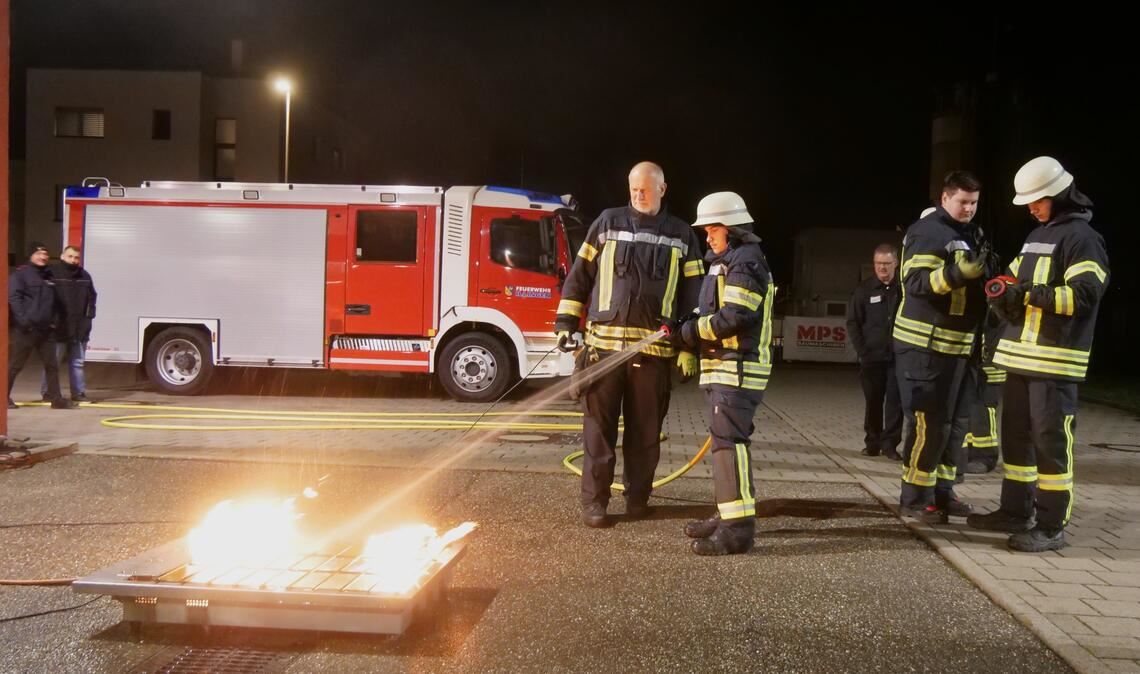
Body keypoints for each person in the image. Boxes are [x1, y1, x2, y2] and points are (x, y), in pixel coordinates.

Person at [968, 157, 1109, 552]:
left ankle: (1051, 525)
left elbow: (1084, 295)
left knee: (1050, 444)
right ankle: (1015, 511)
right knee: (1016, 442)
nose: (1031, 206)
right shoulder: (1036, 236)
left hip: (1054, 361)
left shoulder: (1084, 239)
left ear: (1060, 194)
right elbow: (1012, 277)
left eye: (1038, 199)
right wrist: (999, 286)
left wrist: (1028, 294)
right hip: (1019, 359)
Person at [554, 161, 704, 528]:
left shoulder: (683, 235)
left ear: (662, 189)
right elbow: (579, 275)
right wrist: (566, 323)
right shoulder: (606, 223)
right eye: (634, 188)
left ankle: (638, 500)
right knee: (598, 433)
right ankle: (595, 504)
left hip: (652, 355)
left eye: (646, 189)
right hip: (602, 350)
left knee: (645, 434)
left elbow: (695, 298)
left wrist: (688, 345)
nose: (638, 194)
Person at [673, 192, 774, 555]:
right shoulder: (726, 259)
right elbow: (712, 311)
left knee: (729, 448)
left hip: (738, 368)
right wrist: (689, 332)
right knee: (723, 445)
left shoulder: (745, 261)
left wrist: (689, 334)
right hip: (725, 367)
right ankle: (726, 512)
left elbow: (736, 316)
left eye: (711, 228)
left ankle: (737, 531)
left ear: (730, 227)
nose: (706, 236)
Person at [893, 171, 988, 523]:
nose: (968, 209)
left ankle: (944, 492)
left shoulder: (969, 233)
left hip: (959, 348)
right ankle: (915, 499)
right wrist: (956, 275)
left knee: (955, 424)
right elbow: (915, 282)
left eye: (974, 203)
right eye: (962, 202)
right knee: (928, 424)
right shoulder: (928, 231)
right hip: (925, 347)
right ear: (945, 198)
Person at [846, 243, 902, 459]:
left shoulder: (903, 289)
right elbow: (853, 322)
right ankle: (872, 443)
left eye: (887, 264)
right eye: (878, 263)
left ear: (896, 263)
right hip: (872, 358)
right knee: (873, 402)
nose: (882, 268)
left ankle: (890, 446)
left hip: (898, 358)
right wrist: (862, 352)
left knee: (895, 404)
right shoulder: (864, 290)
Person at [8, 242, 69, 409]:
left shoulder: (49, 276)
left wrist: (54, 323)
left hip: (46, 330)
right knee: (15, 365)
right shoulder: (20, 275)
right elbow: (14, 299)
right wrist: (24, 322)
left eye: (45, 254)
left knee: (52, 365)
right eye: (39, 254)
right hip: (27, 330)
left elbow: (56, 302)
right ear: (31, 255)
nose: (43, 257)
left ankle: (56, 399)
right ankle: (3, 398)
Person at [41, 245, 97, 403]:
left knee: (77, 363)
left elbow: (92, 299)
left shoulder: (85, 276)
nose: (73, 260)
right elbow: (44, 298)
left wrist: (89, 319)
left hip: (79, 328)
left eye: (76, 257)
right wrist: (50, 321)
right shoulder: (52, 273)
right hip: (58, 328)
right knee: (53, 363)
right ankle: (48, 393)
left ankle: (78, 393)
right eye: (70, 256)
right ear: (62, 256)